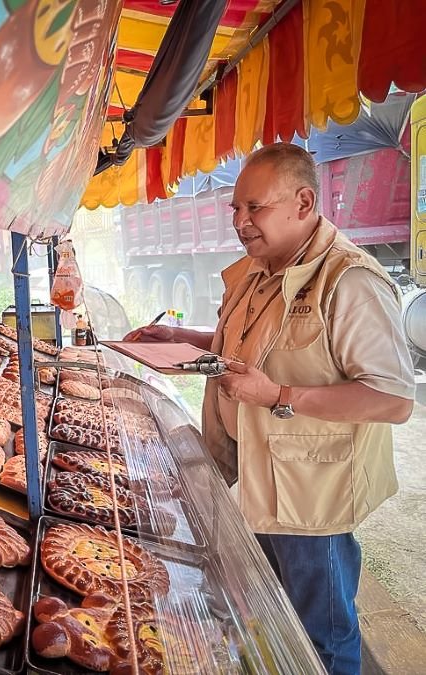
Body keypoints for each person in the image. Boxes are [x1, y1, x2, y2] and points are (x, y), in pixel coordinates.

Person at [124, 144, 415, 675]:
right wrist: (180, 336)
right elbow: (244, 344)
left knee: (320, 639)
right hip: (256, 480)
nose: (238, 221)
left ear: (303, 202)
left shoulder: (349, 281)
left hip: (311, 503)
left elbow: (393, 399)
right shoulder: (260, 271)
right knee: (267, 622)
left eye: (252, 208)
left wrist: (279, 396)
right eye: (235, 209)